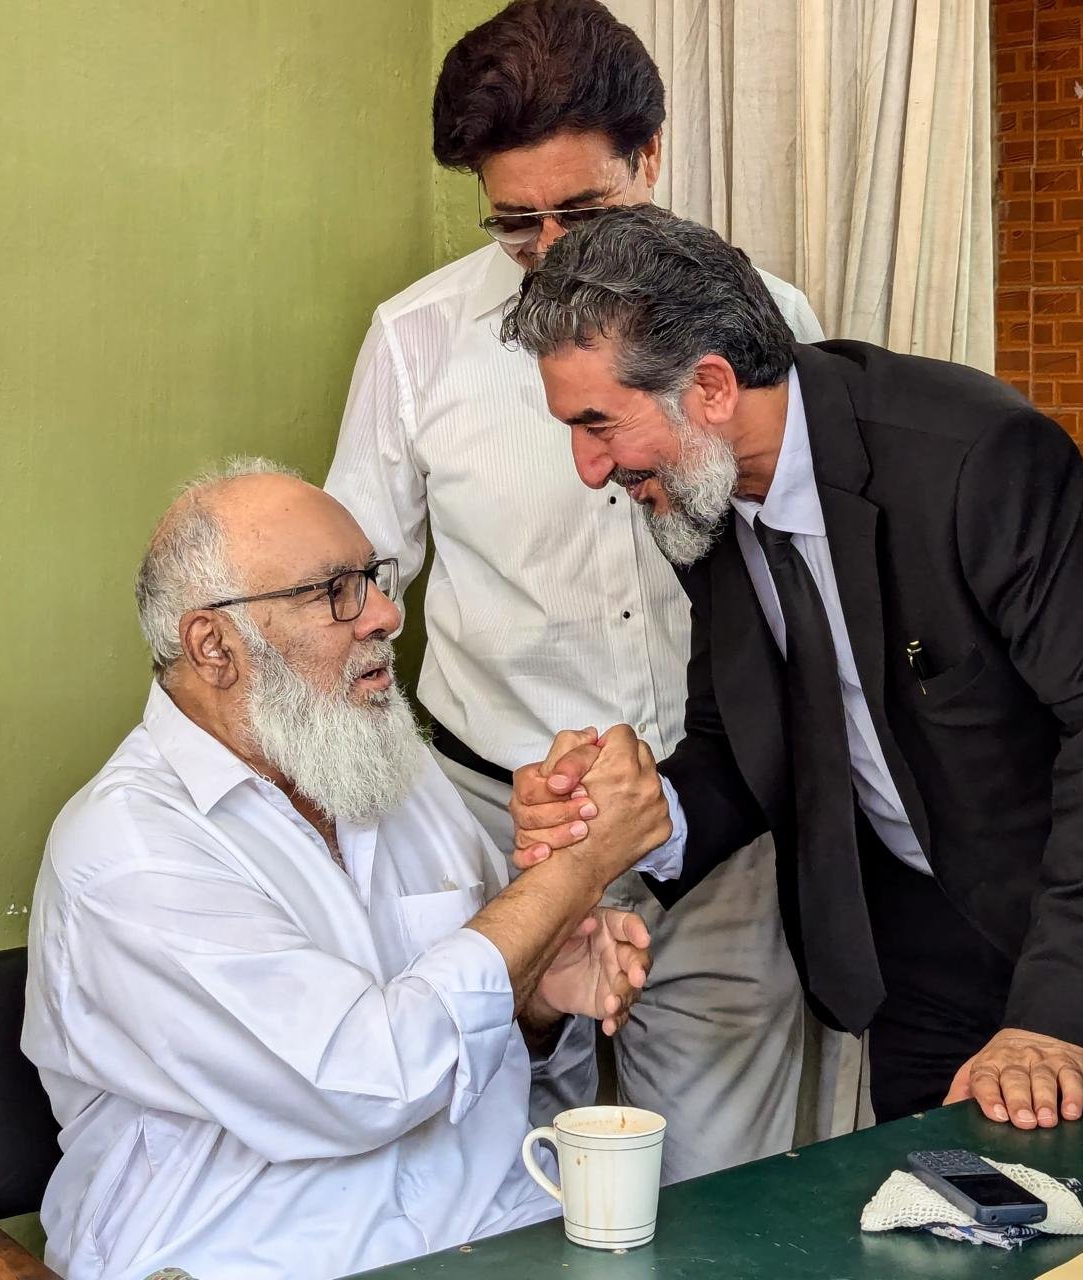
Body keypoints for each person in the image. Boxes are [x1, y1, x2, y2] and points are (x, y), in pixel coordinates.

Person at [504, 205, 1083, 1130]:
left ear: (713, 387)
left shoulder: (975, 457)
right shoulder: (699, 492)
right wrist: (647, 813)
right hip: (922, 948)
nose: (587, 467)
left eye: (598, 424)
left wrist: (1058, 1017)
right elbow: (745, 731)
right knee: (923, 1206)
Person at [325, 0, 829, 1180]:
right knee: (493, 1184)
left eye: (586, 212)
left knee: (724, 1203)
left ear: (650, 157)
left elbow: (813, 577)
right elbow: (352, 597)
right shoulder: (415, 342)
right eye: (516, 222)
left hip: (715, 840)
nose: (552, 250)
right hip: (492, 836)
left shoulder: (772, 321)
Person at [22, 460, 664, 1280]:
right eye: (335, 592)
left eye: (372, 578)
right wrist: (577, 871)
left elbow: (480, 1039)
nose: (388, 615)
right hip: (252, 1259)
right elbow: (365, 1085)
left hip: (488, 1230)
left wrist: (537, 998)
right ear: (215, 647)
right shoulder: (129, 849)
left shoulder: (391, 766)